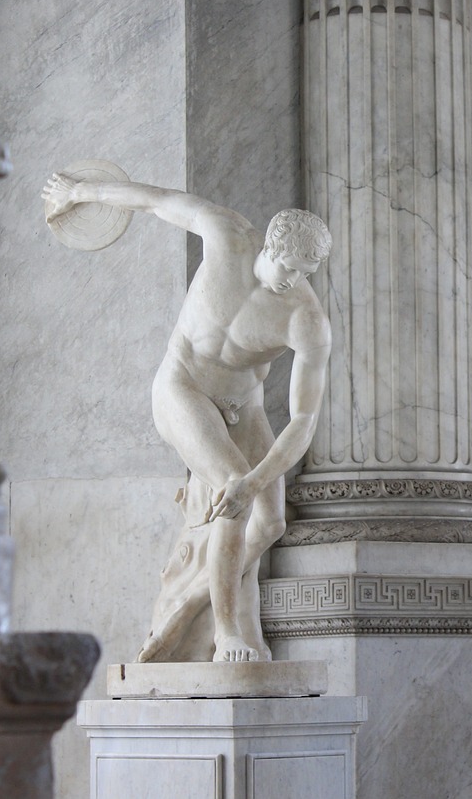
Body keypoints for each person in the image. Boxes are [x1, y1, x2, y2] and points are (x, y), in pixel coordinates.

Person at [42, 173, 332, 662]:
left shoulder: (306, 320)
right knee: (232, 491)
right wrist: (79, 193)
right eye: (286, 265)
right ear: (268, 243)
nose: (291, 279)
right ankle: (227, 635)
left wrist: (260, 479)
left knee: (272, 522)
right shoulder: (225, 235)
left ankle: (188, 604)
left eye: (304, 272)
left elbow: (303, 419)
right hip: (183, 388)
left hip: (245, 406)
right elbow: (155, 201)